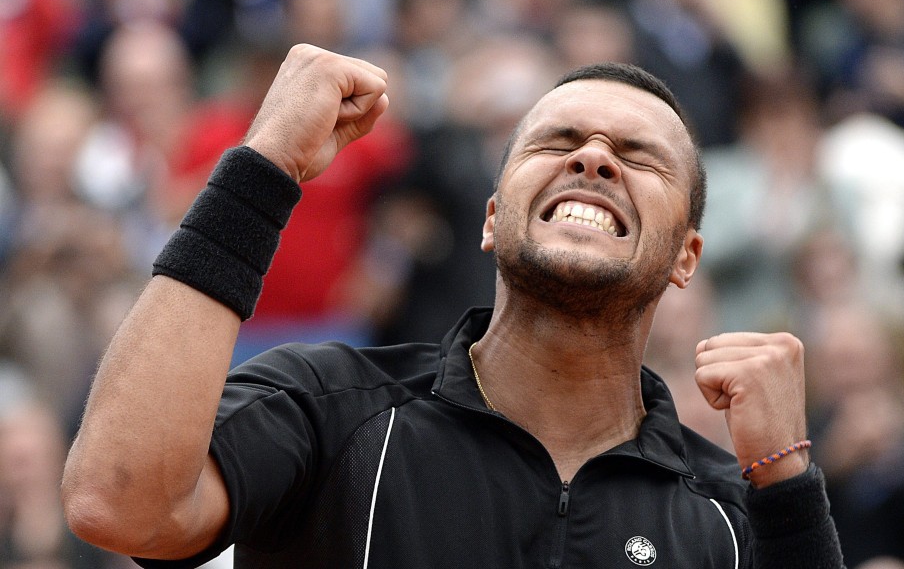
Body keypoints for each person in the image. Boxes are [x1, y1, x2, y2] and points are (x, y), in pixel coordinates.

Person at [61, 45, 844, 567]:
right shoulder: (327, 408)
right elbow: (119, 504)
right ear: (494, 216)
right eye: (558, 141)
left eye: (639, 157)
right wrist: (263, 166)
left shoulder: (731, 513)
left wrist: (789, 491)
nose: (593, 157)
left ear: (686, 257)